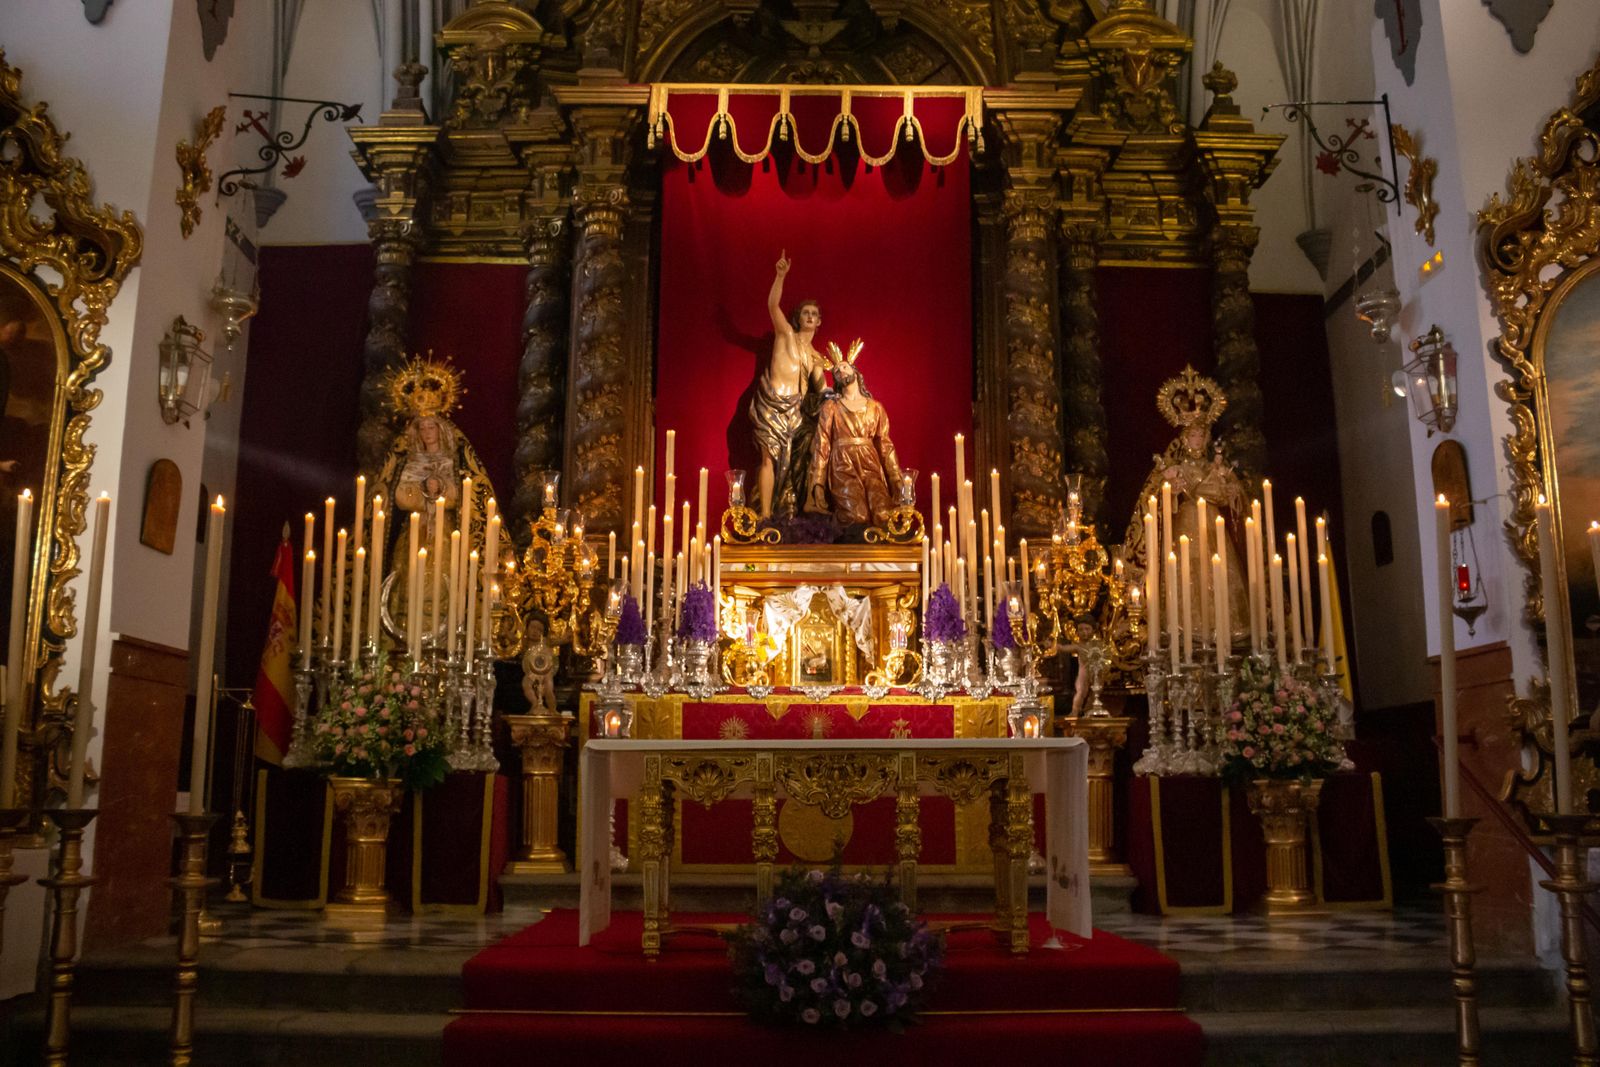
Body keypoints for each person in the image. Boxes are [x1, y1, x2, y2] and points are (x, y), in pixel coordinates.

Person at [750, 251, 827, 519]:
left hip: (797, 412)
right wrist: (780, 276)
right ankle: (766, 515)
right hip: (772, 404)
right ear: (798, 317)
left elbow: (822, 390)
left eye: (814, 314)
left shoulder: (818, 357)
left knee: (796, 464)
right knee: (768, 459)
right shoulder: (785, 335)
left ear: (819, 322)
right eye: (805, 312)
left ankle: (793, 509)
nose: (809, 316)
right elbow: (772, 306)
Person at [804, 342, 902, 529]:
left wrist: (896, 478)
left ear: (855, 372)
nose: (841, 371)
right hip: (843, 464)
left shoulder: (875, 407)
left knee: (883, 514)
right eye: (836, 371)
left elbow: (885, 445)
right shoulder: (831, 407)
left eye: (844, 367)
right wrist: (817, 482)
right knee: (856, 516)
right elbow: (822, 444)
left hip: (870, 463)